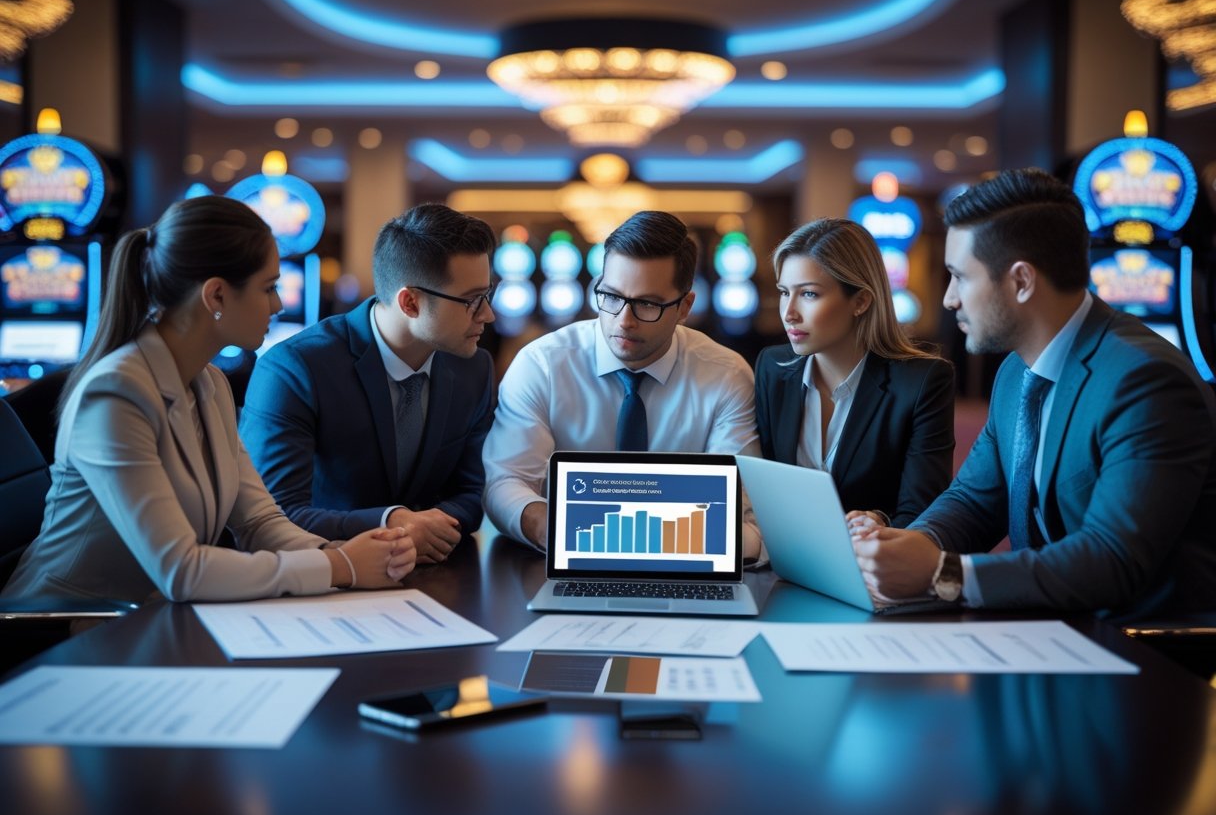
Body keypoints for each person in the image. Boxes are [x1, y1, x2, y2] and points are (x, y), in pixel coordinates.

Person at [3, 196, 415, 603]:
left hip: (146, 618)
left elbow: (258, 521)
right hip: (60, 630)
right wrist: (341, 567)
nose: (279, 304)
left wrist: (337, 554)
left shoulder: (210, 383)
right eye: (269, 287)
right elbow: (181, 571)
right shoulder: (113, 394)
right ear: (216, 296)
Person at [853, 168, 1216, 619]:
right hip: (1058, 630)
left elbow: (1111, 562)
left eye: (960, 277)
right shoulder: (1015, 371)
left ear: (1022, 281)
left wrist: (943, 574)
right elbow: (973, 500)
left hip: (1150, 657)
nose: (949, 300)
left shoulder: (1146, 382)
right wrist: (906, 546)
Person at [483, 210, 763, 557]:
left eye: (647, 304)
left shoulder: (726, 375)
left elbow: (741, 512)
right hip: (565, 554)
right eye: (612, 296)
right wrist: (555, 529)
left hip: (686, 567)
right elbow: (505, 483)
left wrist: (630, 540)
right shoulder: (541, 365)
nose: (624, 321)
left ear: (685, 307)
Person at [241, 203, 497, 564]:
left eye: (488, 295)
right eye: (472, 301)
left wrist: (428, 528)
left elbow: (473, 492)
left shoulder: (473, 367)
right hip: (321, 580)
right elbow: (272, 514)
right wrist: (391, 522)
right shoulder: (295, 367)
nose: (489, 314)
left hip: (438, 577)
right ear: (409, 302)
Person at [755, 218, 954, 529]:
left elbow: (924, 512)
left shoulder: (922, 381)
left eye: (808, 294)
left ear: (860, 301)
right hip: (783, 561)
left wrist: (881, 521)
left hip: (870, 567)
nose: (789, 313)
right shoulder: (772, 367)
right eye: (784, 292)